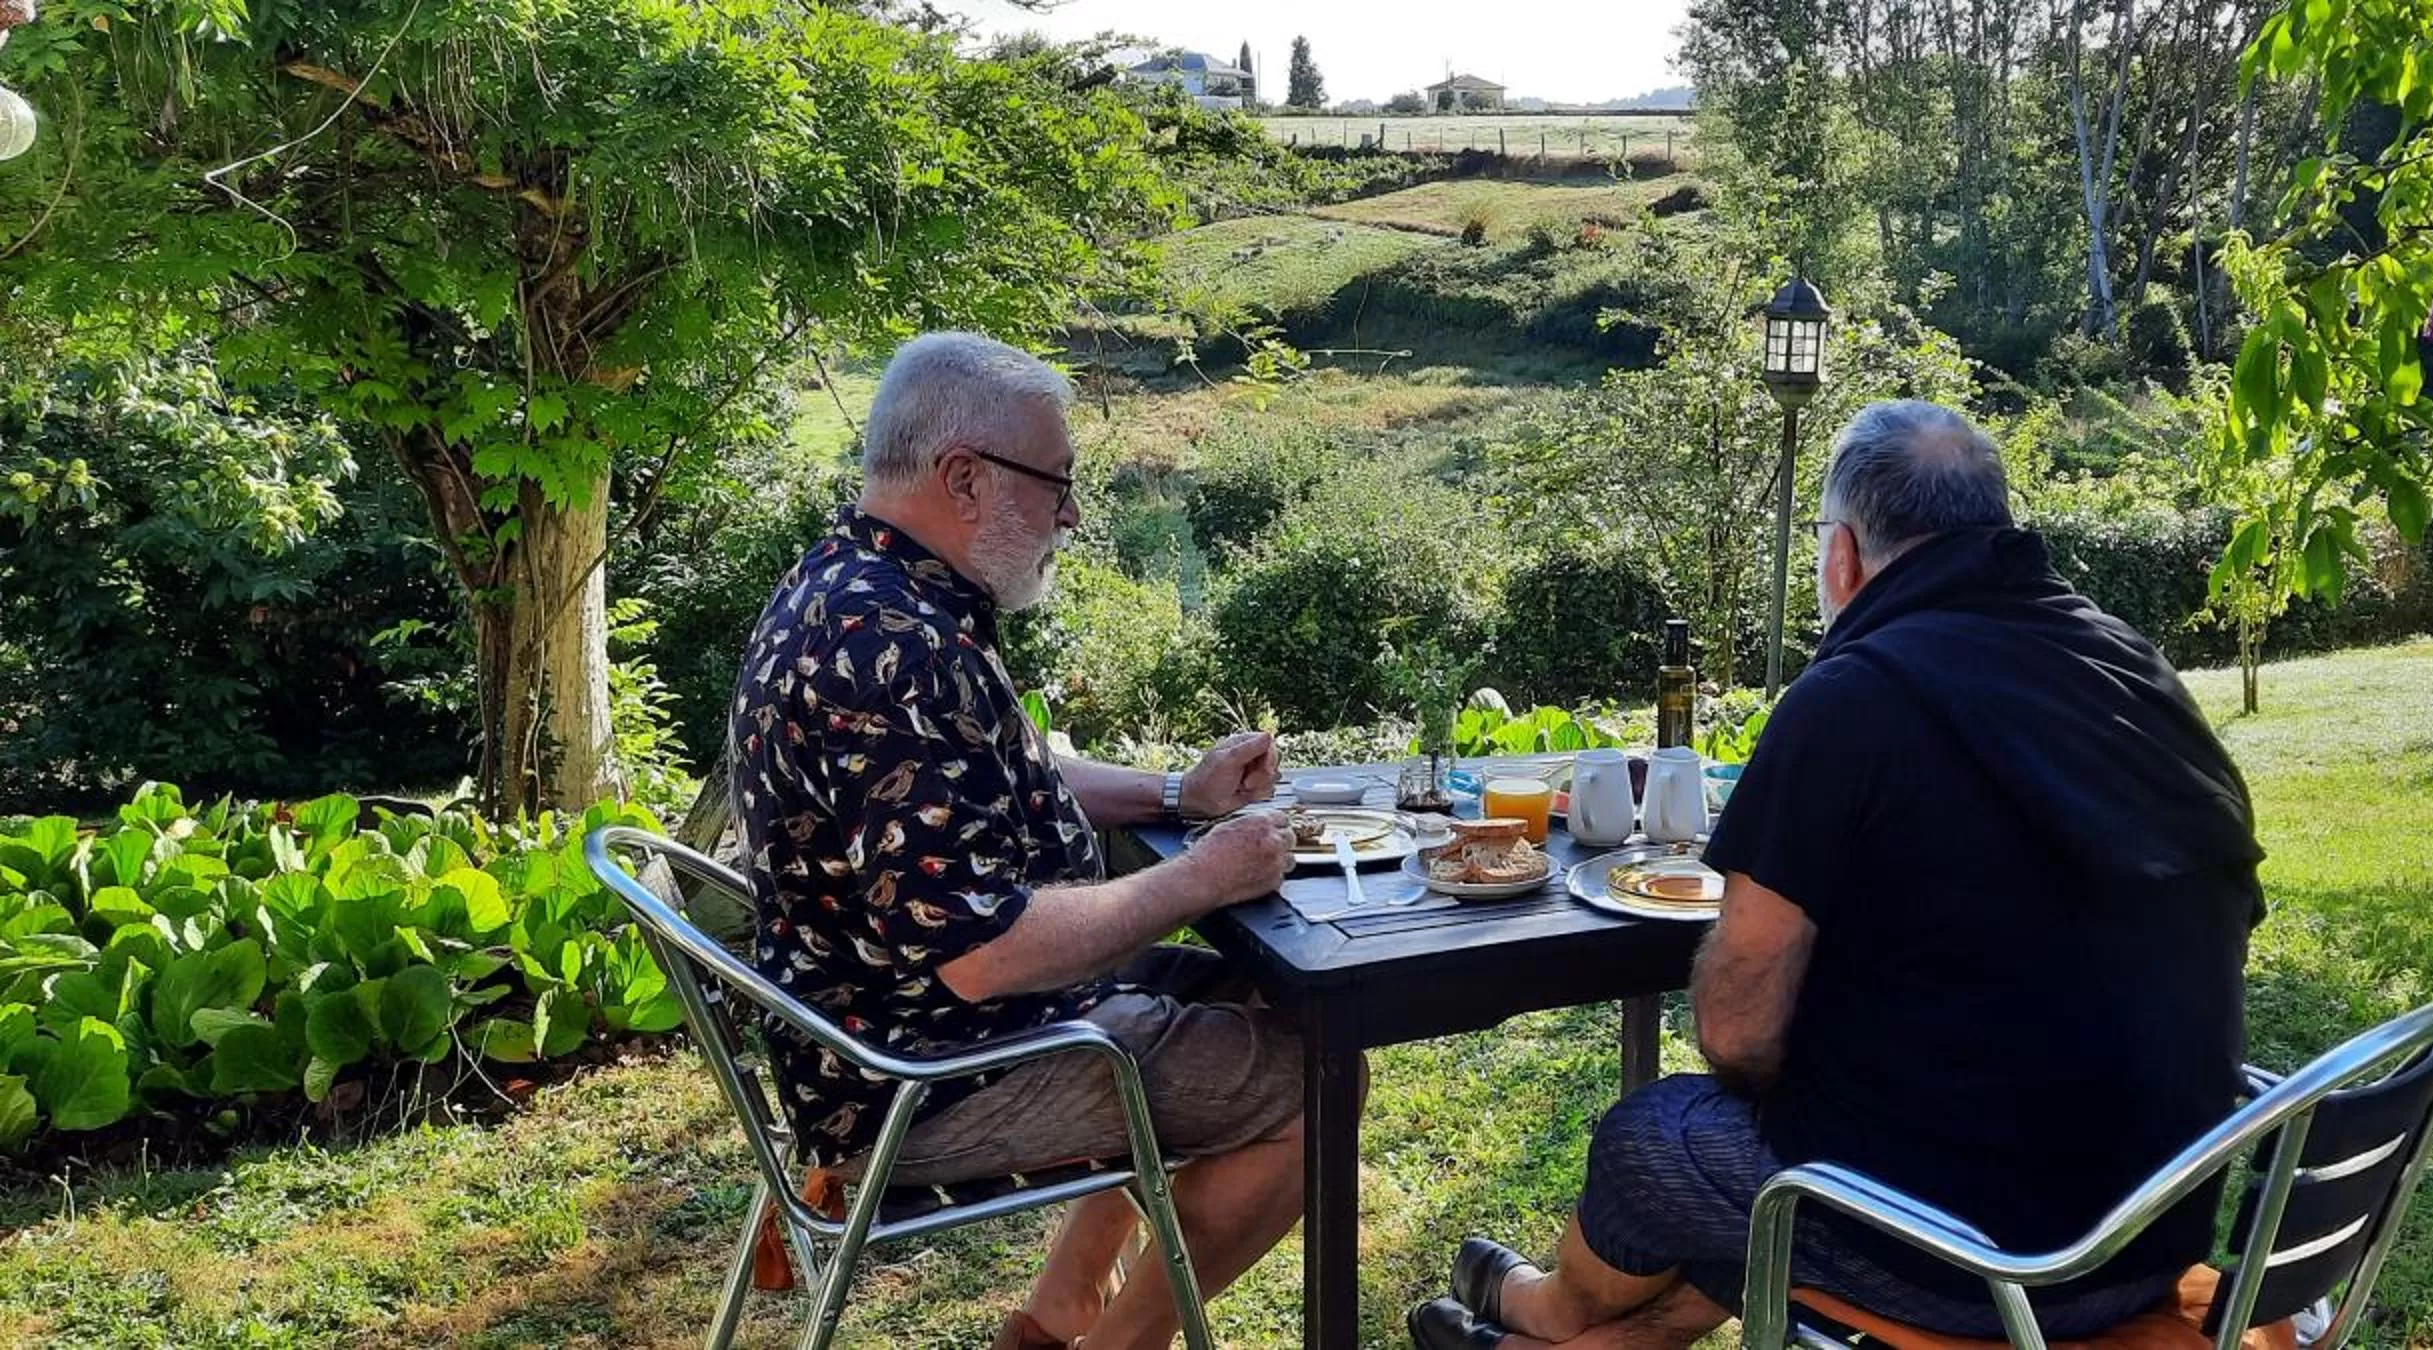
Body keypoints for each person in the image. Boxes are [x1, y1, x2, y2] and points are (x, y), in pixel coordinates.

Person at [1414, 401, 2268, 1349]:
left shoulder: (1854, 696)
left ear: (1842, 556)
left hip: (1985, 1263)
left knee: (1655, 1142)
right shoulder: (2132, 668)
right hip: (2152, 1221)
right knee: (1776, 1180)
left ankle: (1539, 1310)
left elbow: (1735, 1028)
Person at [731, 332, 1316, 1350]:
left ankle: (1056, 1317)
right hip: (925, 1072)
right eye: (1058, 482)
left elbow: (996, 773)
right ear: (964, 478)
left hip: (891, 1026)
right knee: (1324, 1074)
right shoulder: (892, 648)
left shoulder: (863, 585)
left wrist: (1179, 792)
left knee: (1282, 994)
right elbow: (985, 953)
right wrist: (1206, 878)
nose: (1072, 514)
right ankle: (1112, 1345)